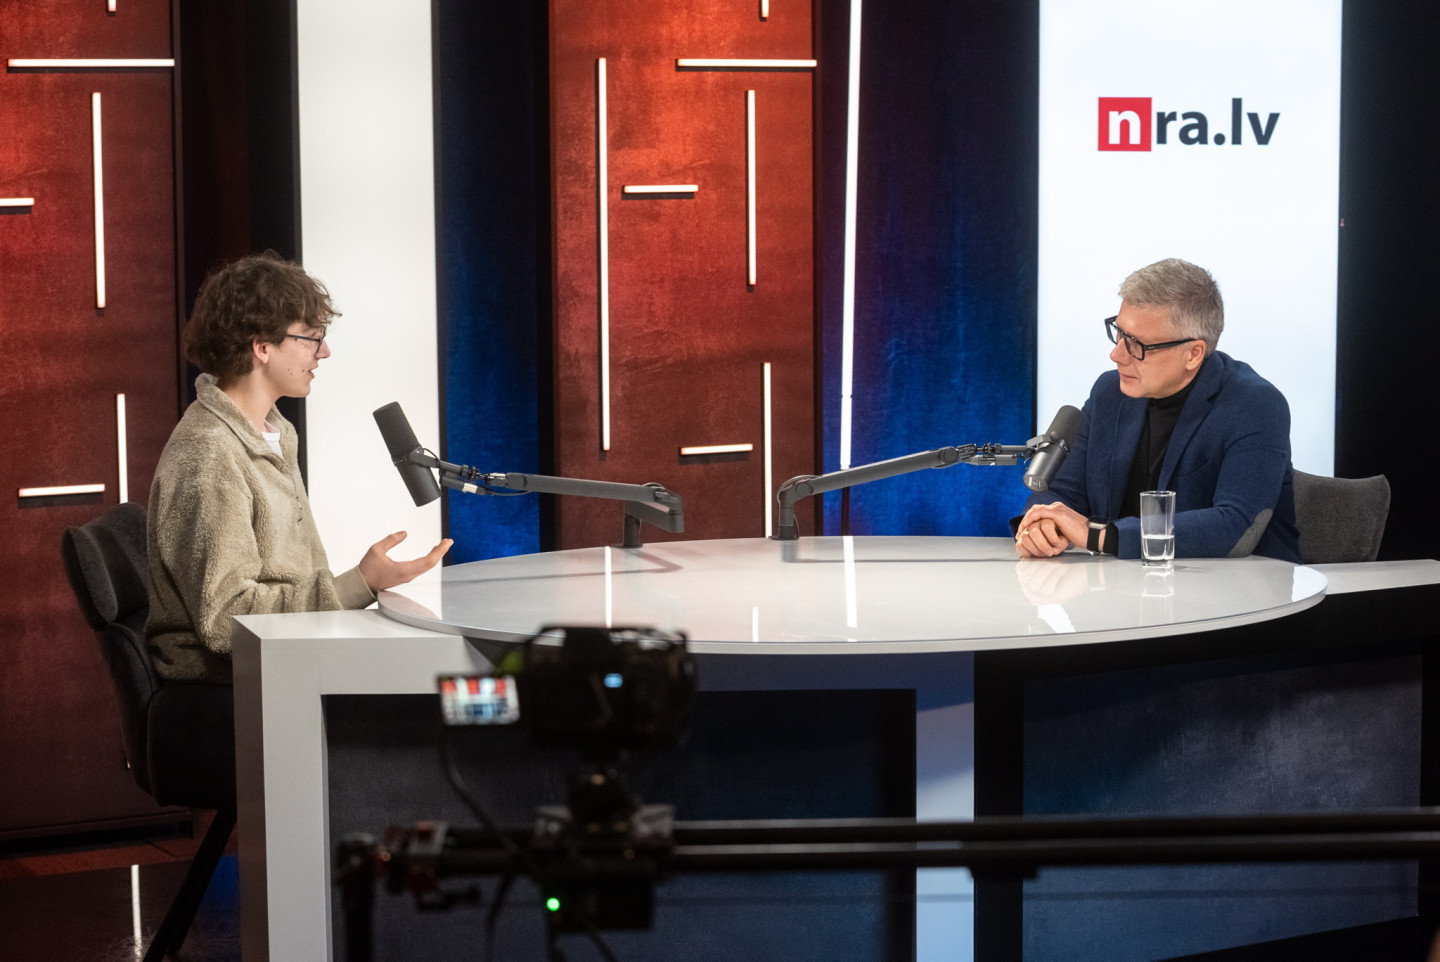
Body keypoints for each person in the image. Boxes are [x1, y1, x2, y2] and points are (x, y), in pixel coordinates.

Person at [146, 252, 451, 681]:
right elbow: (227, 619)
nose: (324, 351)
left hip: (291, 657)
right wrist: (359, 583)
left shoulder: (273, 432)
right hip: (237, 685)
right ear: (262, 347)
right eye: (311, 337)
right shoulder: (209, 455)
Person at [1015, 258, 1300, 563]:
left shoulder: (1256, 405)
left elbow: (1235, 526)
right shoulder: (1109, 393)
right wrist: (1043, 524)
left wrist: (1100, 536)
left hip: (1242, 587)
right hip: (1123, 584)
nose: (1116, 354)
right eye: (1119, 333)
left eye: (1137, 344)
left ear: (1193, 354)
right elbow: (1061, 492)